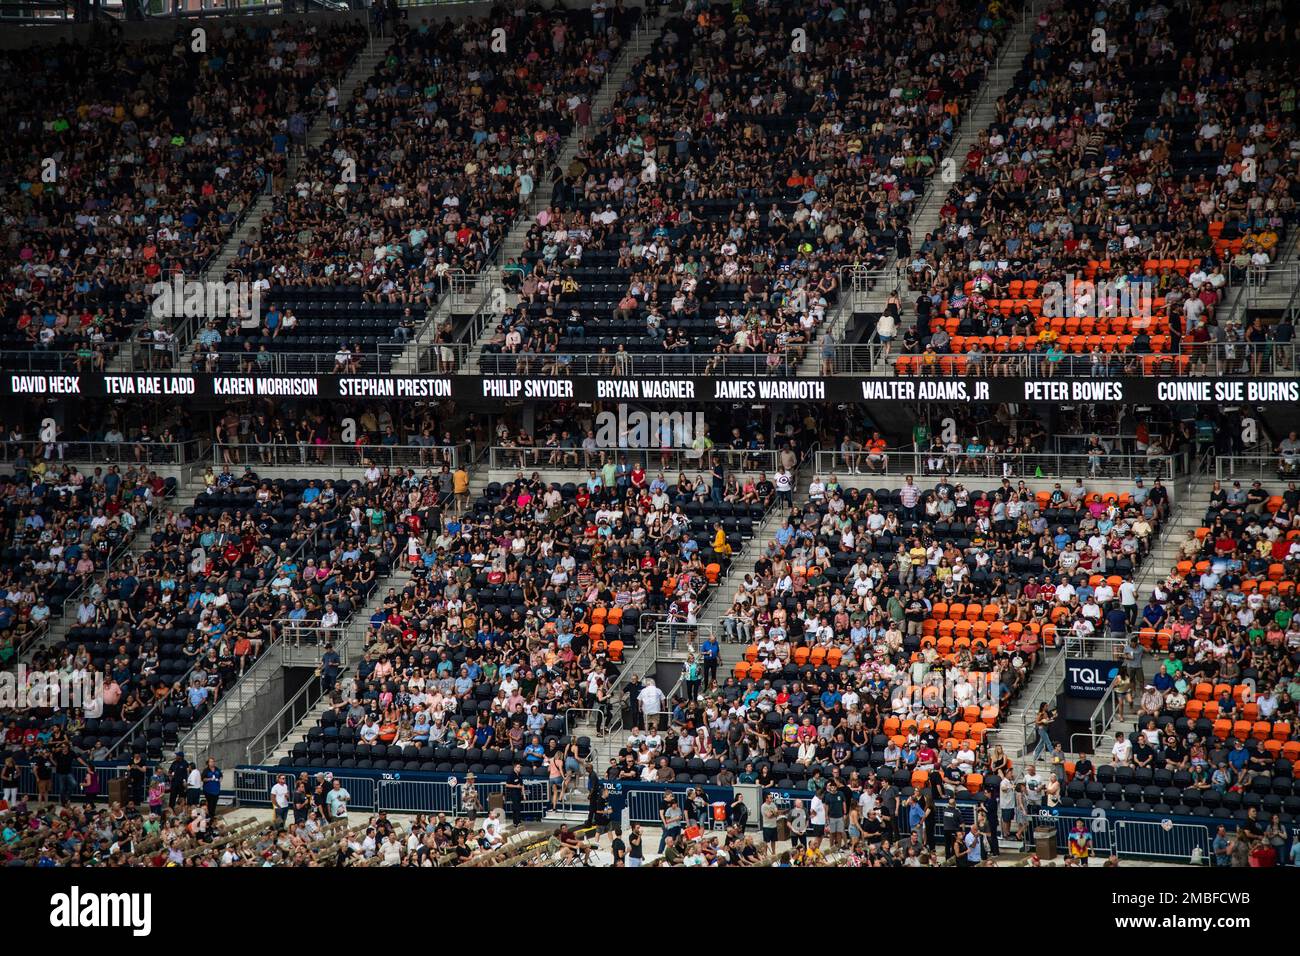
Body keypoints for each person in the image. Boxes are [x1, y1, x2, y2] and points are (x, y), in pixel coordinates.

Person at [504, 762, 525, 826]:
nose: (519, 768)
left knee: (519, 807)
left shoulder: (520, 775)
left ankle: (518, 820)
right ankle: (516, 822)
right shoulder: (511, 775)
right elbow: (507, 785)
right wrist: (516, 786)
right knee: (516, 807)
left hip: (519, 793)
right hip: (513, 793)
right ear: (514, 768)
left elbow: (522, 785)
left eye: (520, 767)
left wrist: (524, 794)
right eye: (518, 767)